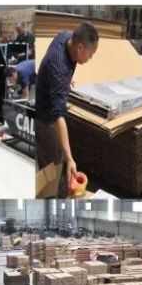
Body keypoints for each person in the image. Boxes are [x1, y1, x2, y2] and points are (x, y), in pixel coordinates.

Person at [34, 21, 99, 189]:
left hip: (48, 97)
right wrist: (70, 158)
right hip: (46, 120)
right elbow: (58, 115)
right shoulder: (59, 68)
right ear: (79, 48)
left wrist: (65, 80)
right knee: (54, 166)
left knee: (53, 165)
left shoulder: (66, 37)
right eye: (90, 55)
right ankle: (52, 197)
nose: (90, 59)